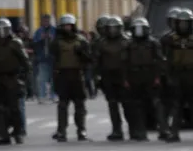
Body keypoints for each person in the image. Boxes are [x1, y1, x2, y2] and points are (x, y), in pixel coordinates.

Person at [162, 9, 193, 142]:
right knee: (177, 106)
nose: (183, 26)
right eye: (181, 23)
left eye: (186, 23)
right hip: (178, 74)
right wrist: (169, 76)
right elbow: (168, 59)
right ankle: (174, 133)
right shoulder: (170, 39)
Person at [0, 18, 29, 145]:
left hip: (13, 78)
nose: (2, 33)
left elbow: (25, 62)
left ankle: (18, 132)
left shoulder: (15, 43)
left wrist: (23, 79)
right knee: (0, 109)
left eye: (4, 30)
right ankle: (3, 135)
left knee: (15, 108)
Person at [121, 17, 165, 141]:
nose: (139, 31)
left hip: (150, 75)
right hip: (134, 76)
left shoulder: (153, 43)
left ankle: (163, 129)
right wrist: (125, 79)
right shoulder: (128, 44)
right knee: (137, 105)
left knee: (156, 104)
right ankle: (140, 131)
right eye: (137, 29)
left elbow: (159, 61)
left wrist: (157, 77)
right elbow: (124, 62)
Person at [50, 13, 91, 141]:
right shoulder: (57, 41)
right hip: (63, 75)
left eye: (69, 25)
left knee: (80, 105)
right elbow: (52, 57)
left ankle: (81, 129)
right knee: (62, 105)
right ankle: (61, 130)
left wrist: (82, 53)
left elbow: (89, 59)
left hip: (77, 75)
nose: (67, 28)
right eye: (65, 26)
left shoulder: (81, 40)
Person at [92, 15, 128, 141]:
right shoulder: (101, 43)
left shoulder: (126, 41)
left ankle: (134, 128)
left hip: (123, 76)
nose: (112, 31)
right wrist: (96, 76)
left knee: (127, 104)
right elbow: (96, 61)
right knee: (112, 104)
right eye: (110, 29)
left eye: (115, 28)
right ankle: (116, 130)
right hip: (108, 76)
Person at [32, 14, 56, 103]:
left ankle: (54, 95)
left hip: (53, 58)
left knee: (54, 78)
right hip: (42, 58)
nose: (46, 22)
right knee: (42, 78)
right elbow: (34, 43)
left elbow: (58, 42)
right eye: (44, 20)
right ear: (41, 21)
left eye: (47, 20)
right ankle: (42, 96)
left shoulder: (54, 30)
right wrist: (40, 39)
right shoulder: (38, 31)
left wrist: (51, 38)